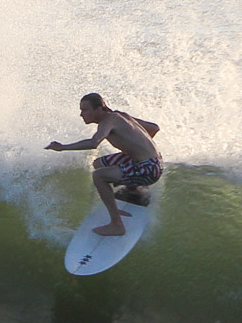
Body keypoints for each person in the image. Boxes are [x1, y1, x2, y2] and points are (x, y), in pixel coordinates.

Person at [45, 92, 162, 236]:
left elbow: (94, 143)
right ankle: (134, 188)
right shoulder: (120, 116)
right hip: (154, 162)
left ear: (99, 109)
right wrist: (139, 148)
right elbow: (154, 128)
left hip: (149, 168)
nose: (81, 114)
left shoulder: (108, 121)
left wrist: (62, 147)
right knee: (99, 164)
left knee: (99, 176)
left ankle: (117, 225)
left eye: (85, 110)